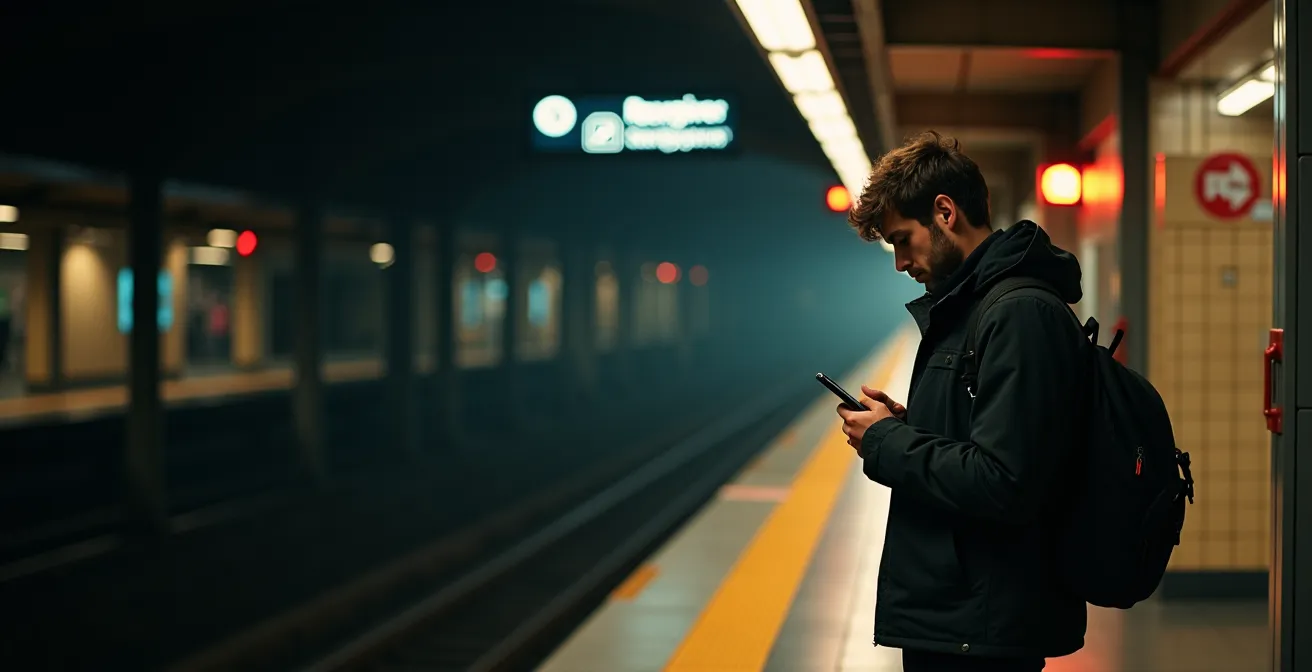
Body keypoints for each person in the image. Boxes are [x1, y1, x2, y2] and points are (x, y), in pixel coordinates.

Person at [836, 131, 1088, 672]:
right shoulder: (970, 307)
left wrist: (887, 442)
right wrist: (908, 426)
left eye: (902, 240)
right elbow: (985, 436)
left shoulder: (1017, 313)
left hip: (983, 624)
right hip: (960, 614)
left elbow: (1005, 481)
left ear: (945, 213)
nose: (900, 262)